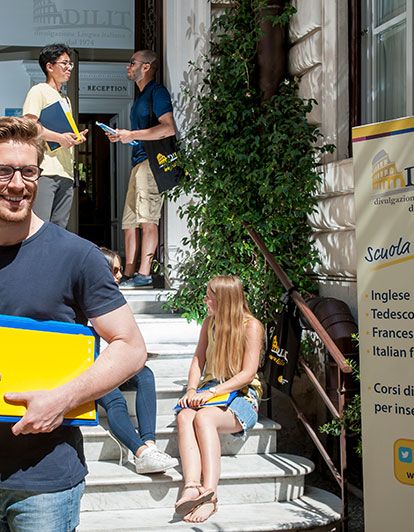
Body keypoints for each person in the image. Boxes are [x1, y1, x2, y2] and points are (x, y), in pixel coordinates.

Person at [0, 116, 146, 532]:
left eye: (28, 172)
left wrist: (61, 400)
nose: (17, 184)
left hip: (48, 481)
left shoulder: (79, 257)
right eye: (2, 171)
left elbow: (130, 347)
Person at [173, 275, 264, 524]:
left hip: (242, 393)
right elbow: (198, 360)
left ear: (224, 300)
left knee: (204, 418)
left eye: (209, 298)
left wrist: (211, 393)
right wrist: (192, 390)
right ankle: (192, 486)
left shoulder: (251, 326)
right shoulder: (209, 323)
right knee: (185, 416)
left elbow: (248, 374)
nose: (205, 301)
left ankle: (210, 496)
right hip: (211, 388)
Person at [95, 248, 178, 474]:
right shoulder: (84, 300)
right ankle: (141, 453)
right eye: (115, 270)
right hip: (92, 369)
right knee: (116, 400)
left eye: (120, 270)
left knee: (145, 374)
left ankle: (150, 445)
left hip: (115, 363)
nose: (120, 276)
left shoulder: (117, 301)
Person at [105, 49, 177, 288]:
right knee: (129, 222)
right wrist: (124, 137)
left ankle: (144, 274)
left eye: (132, 63)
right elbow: (141, 135)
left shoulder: (157, 92)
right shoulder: (139, 98)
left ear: (146, 67)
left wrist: (132, 134)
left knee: (147, 219)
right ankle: (127, 273)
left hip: (152, 163)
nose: (128, 67)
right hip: (138, 163)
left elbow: (168, 128)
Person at [22, 43, 88, 229]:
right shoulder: (39, 90)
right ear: (49, 66)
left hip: (66, 172)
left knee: (59, 228)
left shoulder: (65, 99)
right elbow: (29, 126)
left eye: (70, 64)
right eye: (64, 63)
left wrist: (74, 138)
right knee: (40, 226)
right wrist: (60, 138)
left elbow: (63, 134)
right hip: (46, 170)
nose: (69, 68)